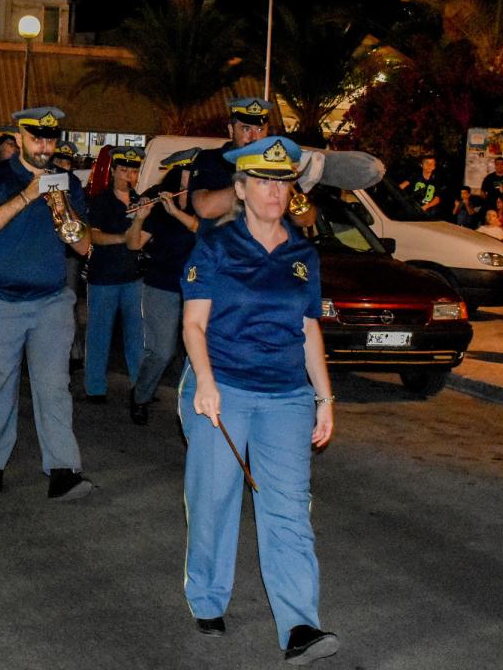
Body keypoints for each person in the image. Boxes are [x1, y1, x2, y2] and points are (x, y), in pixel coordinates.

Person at [178, 136, 338, 665]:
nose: (275, 191)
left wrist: (324, 397)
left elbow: (309, 327)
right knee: (216, 498)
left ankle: (300, 627)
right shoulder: (215, 247)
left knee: (288, 509)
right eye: (263, 181)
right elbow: (194, 324)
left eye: (283, 181)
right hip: (221, 388)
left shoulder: (302, 253)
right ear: (241, 190)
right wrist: (204, 382)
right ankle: (206, 594)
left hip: (286, 395)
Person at [0, 106, 93, 501]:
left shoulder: (67, 181)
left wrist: (63, 206)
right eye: (36, 138)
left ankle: (62, 470)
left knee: (54, 386)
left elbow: (84, 244)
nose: (44, 147)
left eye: (50, 139)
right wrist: (26, 196)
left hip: (50, 302)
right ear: (19, 137)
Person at [126, 148, 199, 425]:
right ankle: (140, 395)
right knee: (162, 351)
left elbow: (201, 229)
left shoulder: (205, 202)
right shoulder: (160, 202)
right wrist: (141, 218)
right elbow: (134, 244)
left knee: (198, 352)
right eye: (188, 171)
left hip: (198, 288)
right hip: (163, 284)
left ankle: (194, 406)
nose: (192, 177)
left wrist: (178, 214)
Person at [83, 146, 146, 404]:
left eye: (133, 170)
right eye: (124, 170)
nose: (128, 176)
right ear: (114, 171)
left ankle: (139, 386)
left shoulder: (140, 200)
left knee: (137, 335)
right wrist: (124, 238)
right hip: (104, 276)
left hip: (133, 276)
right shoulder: (99, 201)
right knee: (99, 334)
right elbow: (92, 236)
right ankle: (95, 387)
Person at [189, 98, 273, 222]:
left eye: (260, 129)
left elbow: (305, 219)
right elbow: (204, 208)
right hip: (222, 239)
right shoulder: (210, 159)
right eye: (246, 129)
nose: (254, 137)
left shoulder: (275, 162)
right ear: (231, 130)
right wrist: (254, 187)